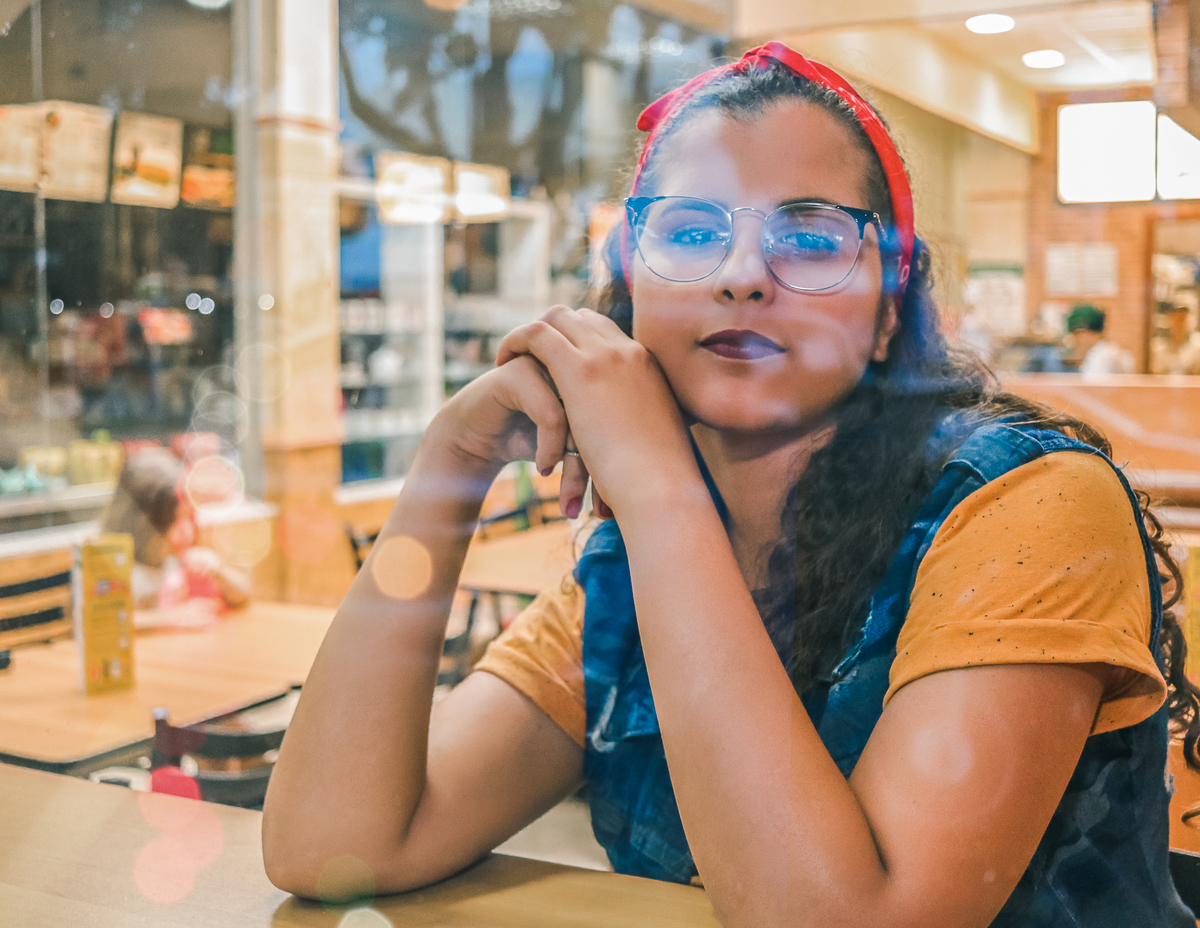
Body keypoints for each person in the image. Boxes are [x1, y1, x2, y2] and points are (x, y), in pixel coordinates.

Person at [263, 43, 1199, 926]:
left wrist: (659, 485)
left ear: (886, 312)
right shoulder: (624, 587)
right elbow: (330, 845)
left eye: (811, 237)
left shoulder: (1031, 503)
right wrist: (448, 466)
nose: (744, 274)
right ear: (633, 294)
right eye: (693, 231)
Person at [100, 448, 250, 629]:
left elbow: (242, 596)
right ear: (146, 521)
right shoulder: (108, 563)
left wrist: (217, 570)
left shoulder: (173, 557)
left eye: (188, 516)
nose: (187, 530)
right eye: (177, 519)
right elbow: (98, 621)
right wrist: (166, 619)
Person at [1065, 303, 1134, 378]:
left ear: (1090, 332)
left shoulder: (1102, 356)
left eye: (1077, 333)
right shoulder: (1098, 353)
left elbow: (1092, 388)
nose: (1075, 339)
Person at [1151, 303, 1200, 375]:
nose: (1180, 323)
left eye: (1183, 319)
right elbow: (1156, 374)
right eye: (1176, 318)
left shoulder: (1196, 348)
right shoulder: (1158, 348)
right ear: (1170, 320)